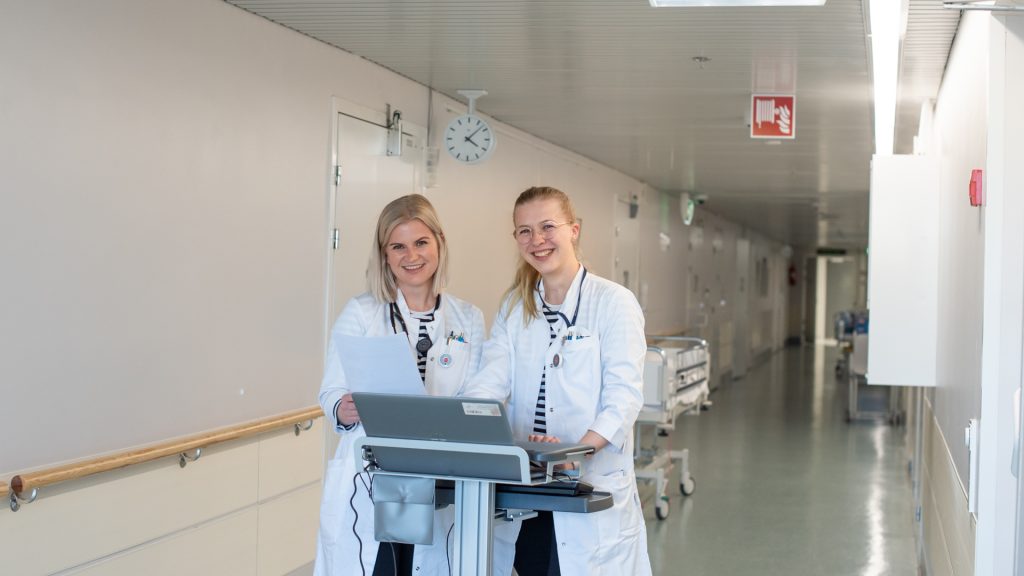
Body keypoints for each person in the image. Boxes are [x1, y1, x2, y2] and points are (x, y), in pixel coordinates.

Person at [464, 186, 652, 576]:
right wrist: (472, 426)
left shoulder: (613, 302)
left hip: (588, 483)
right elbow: (490, 382)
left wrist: (576, 451)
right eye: (525, 231)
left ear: (574, 230)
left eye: (548, 226)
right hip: (527, 483)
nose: (538, 240)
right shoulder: (515, 306)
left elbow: (624, 398)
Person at [314, 194, 486, 576]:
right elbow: (330, 392)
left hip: (441, 474)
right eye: (398, 246)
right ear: (385, 255)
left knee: (428, 563)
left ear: (439, 243)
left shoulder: (468, 318)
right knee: (381, 566)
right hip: (374, 473)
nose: (412, 256)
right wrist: (343, 407)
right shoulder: (361, 312)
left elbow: (475, 397)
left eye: (421, 242)